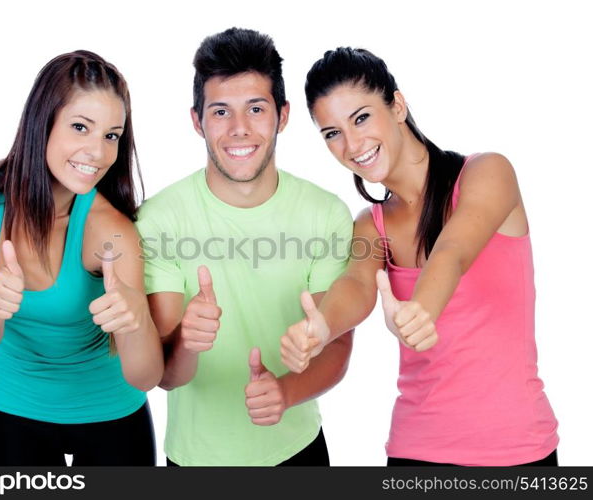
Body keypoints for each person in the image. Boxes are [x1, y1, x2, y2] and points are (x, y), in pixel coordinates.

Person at [279, 47, 559, 466]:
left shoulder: (488, 173)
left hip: (518, 451)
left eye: (361, 118)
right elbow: (356, 285)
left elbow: (452, 250)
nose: (352, 144)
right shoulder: (370, 225)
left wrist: (421, 310)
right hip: (416, 452)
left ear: (397, 105)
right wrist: (322, 325)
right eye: (332, 133)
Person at [135, 28, 354, 466]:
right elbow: (167, 378)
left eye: (256, 108)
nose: (239, 129)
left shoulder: (326, 214)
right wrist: (187, 342)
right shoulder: (157, 219)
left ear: (283, 115)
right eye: (221, 112)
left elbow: (337, 346)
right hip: (196, 459)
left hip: (297, 450)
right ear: (197, 121)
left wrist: (285, 392)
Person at [0, 50, 163, 466]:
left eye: (111, 135)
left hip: (112, 418)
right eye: (81, 127)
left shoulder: (111, 230)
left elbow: (145, 376)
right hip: (14, 415)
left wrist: (135, 321)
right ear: (43, 122)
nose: (97, 152)